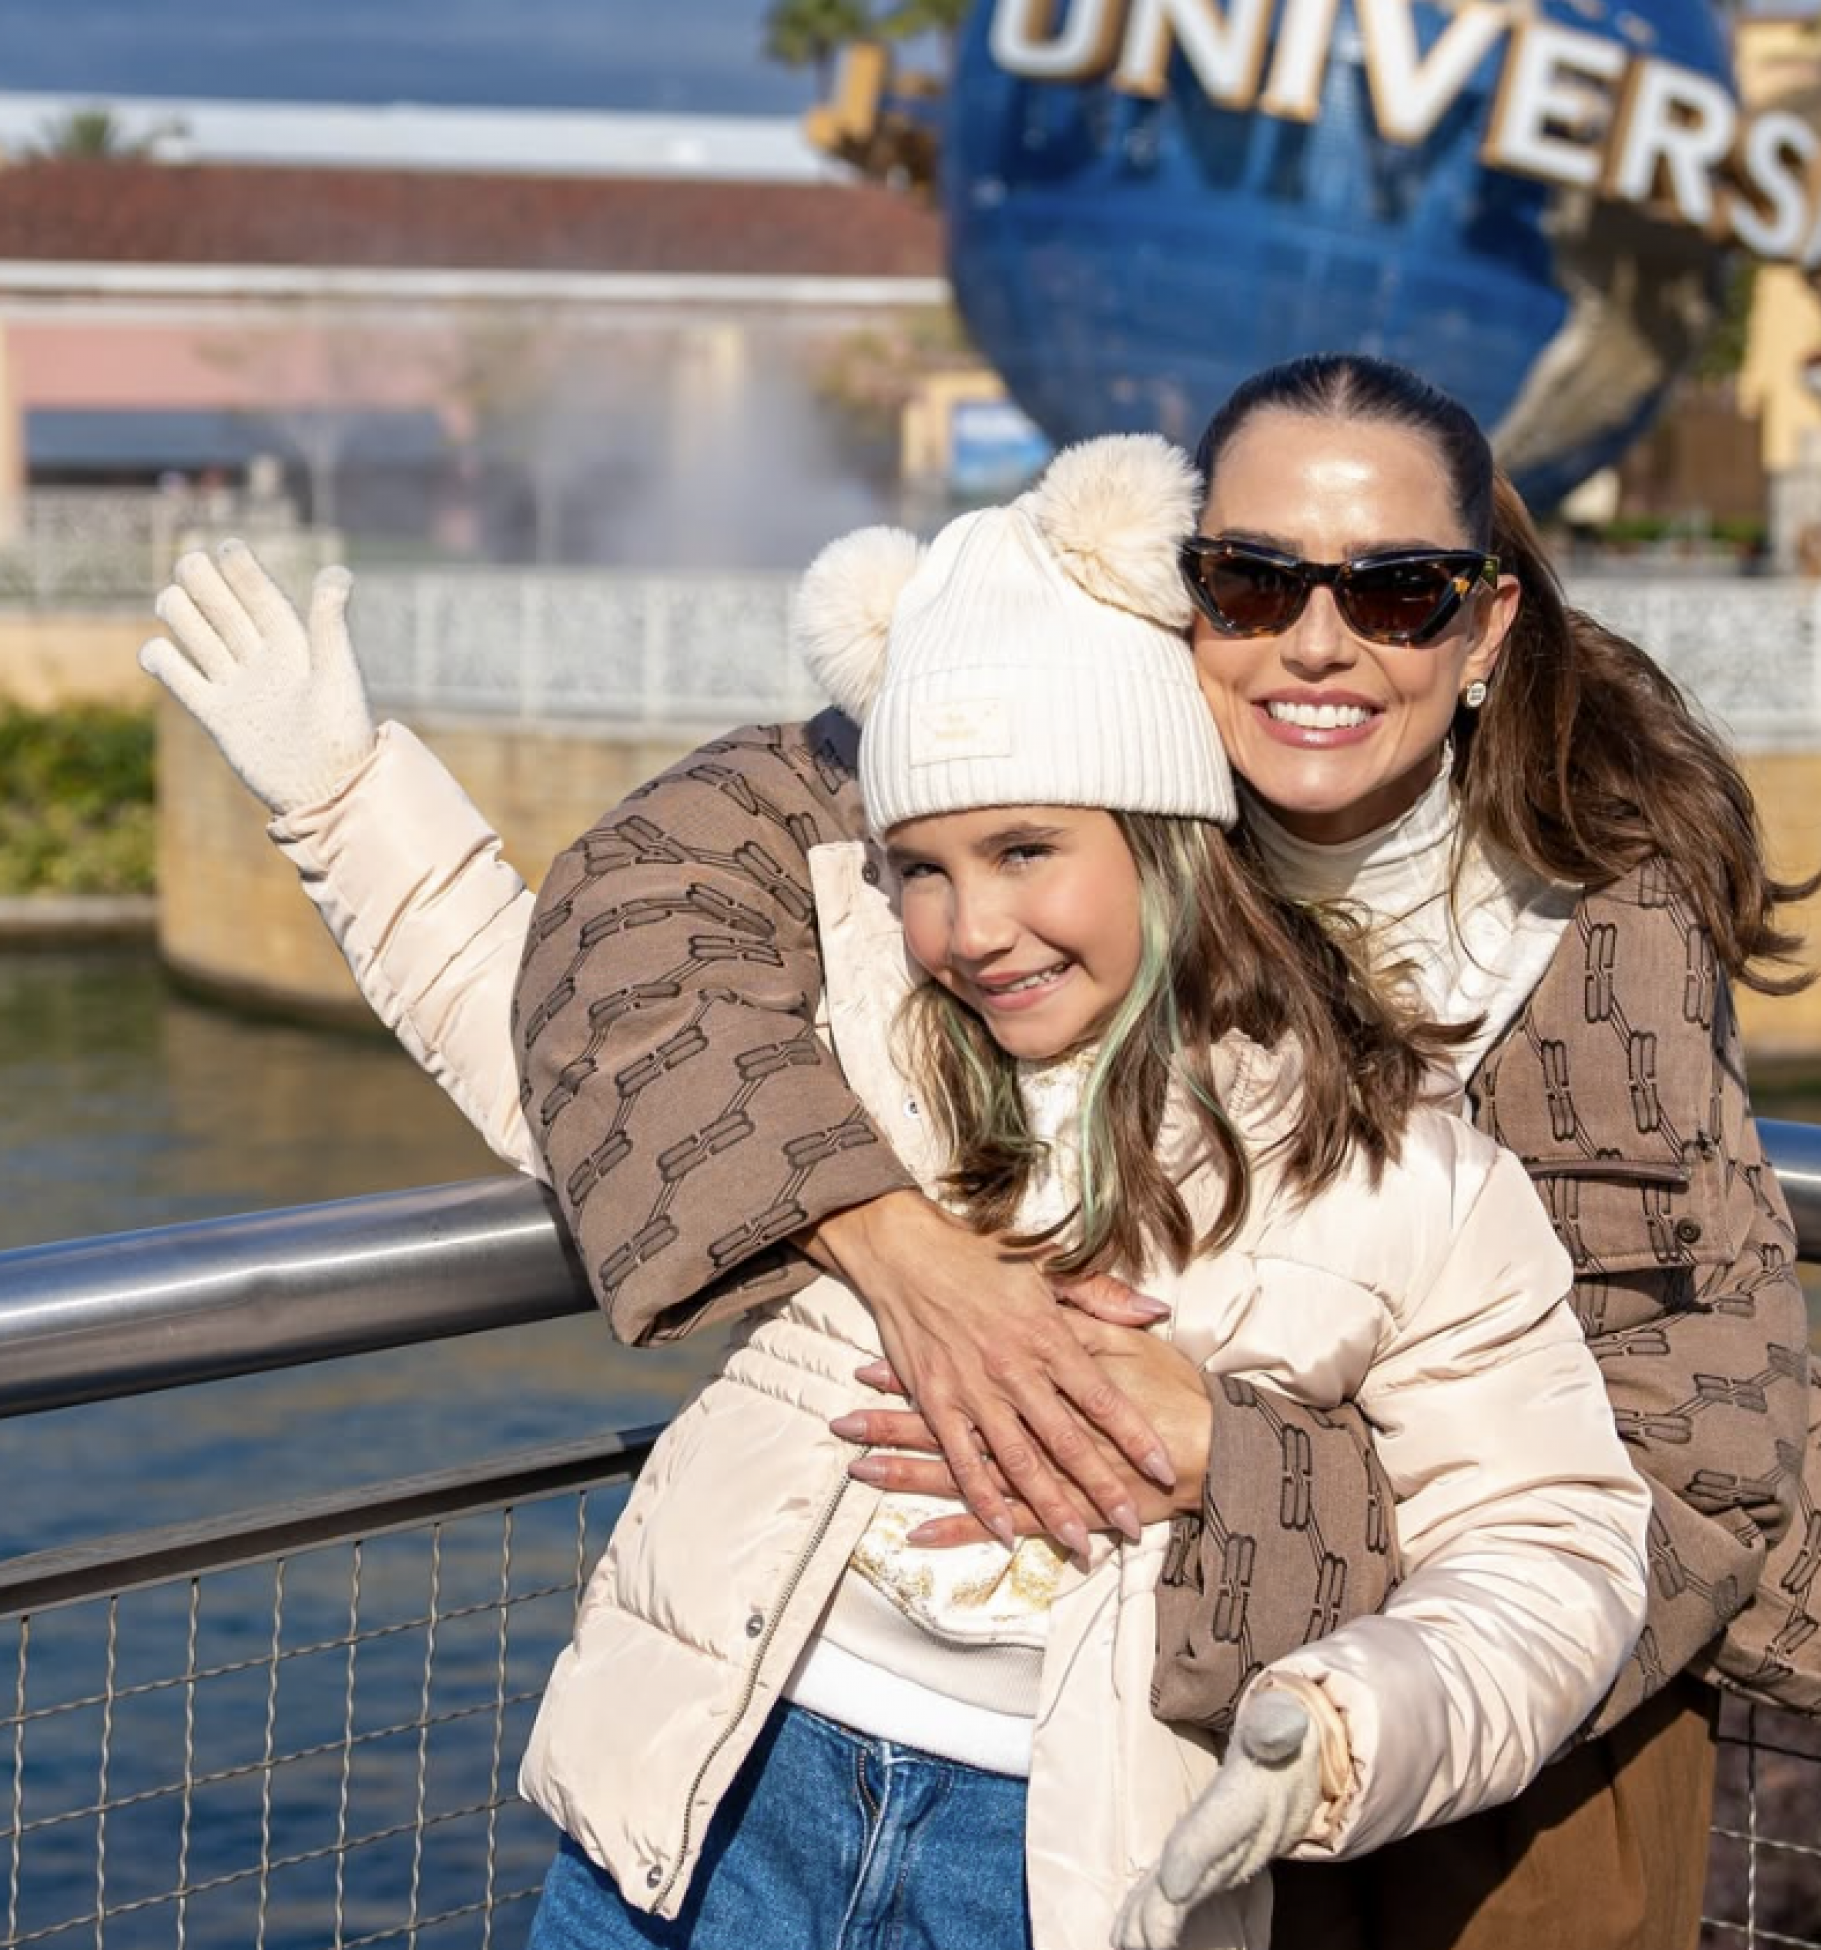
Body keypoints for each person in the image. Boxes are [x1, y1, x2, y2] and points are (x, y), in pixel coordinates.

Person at [142, 436, 1652, 1950]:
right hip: (716, 1800)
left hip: (1062, 1869)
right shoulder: (855, 1040)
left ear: (1169, 840)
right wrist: (340, 793)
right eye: (918, 866)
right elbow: (543, 1040)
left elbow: (1553, 1552)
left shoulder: (1405, 1178)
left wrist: (1335, 1739)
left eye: (1025, 850)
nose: (967, 926)